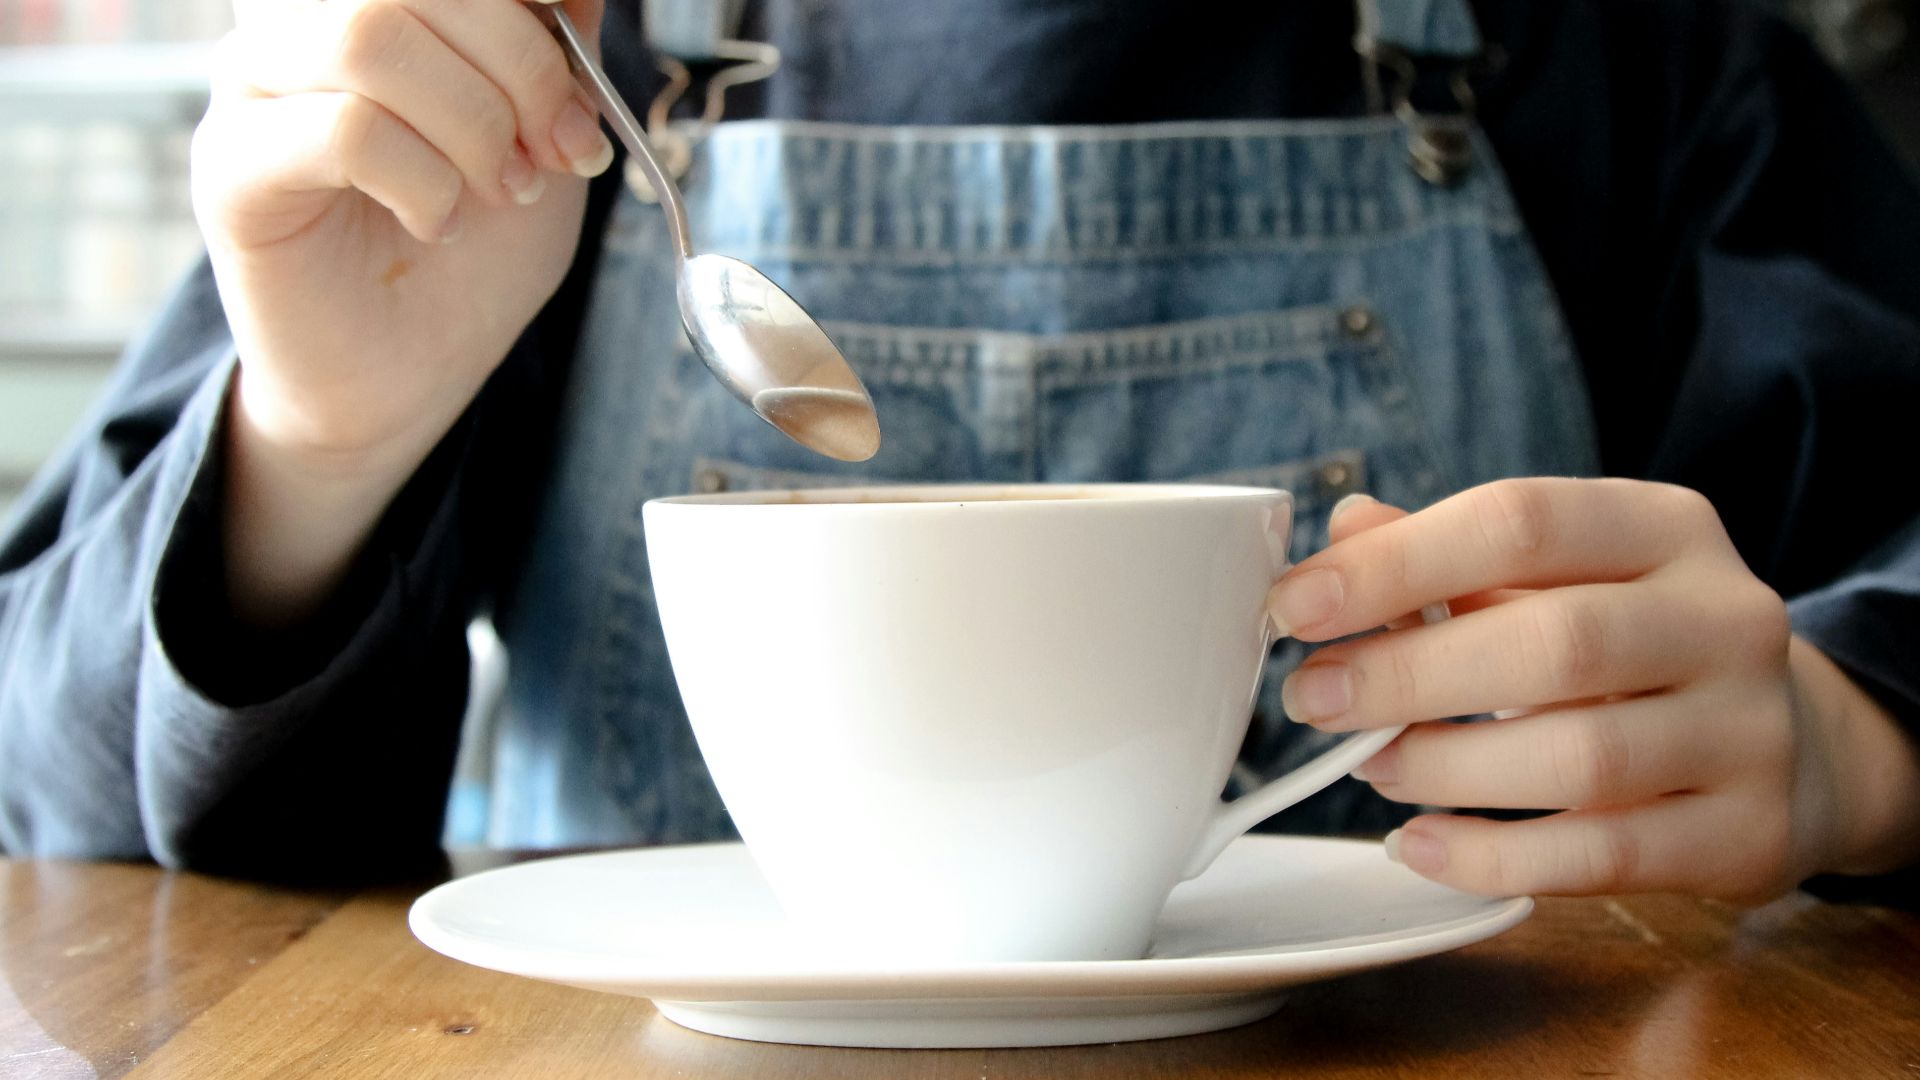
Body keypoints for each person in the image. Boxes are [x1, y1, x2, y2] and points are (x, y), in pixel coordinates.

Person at [1, 0, 1916, 901]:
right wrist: (321, 442)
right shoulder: (525, 71)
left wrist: (1859, 741)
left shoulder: (1627, 51)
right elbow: (52, 792)